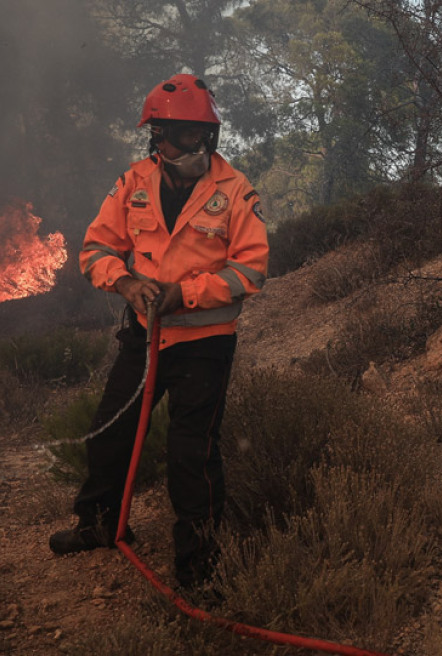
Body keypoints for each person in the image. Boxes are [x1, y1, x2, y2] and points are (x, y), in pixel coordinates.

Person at [49, 73, 269, 590]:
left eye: (200, 134)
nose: (191, 144)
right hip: (145, 338)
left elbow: (251, 270)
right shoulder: (133, 183)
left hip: (206, 346)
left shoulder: (236, 191)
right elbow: (96, 250)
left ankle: (199, 571)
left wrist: (185, 294)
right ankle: (100, 525)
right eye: (181, 134)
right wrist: (125, 283)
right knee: (110, 432)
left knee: (192, 455)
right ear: (158, 136)